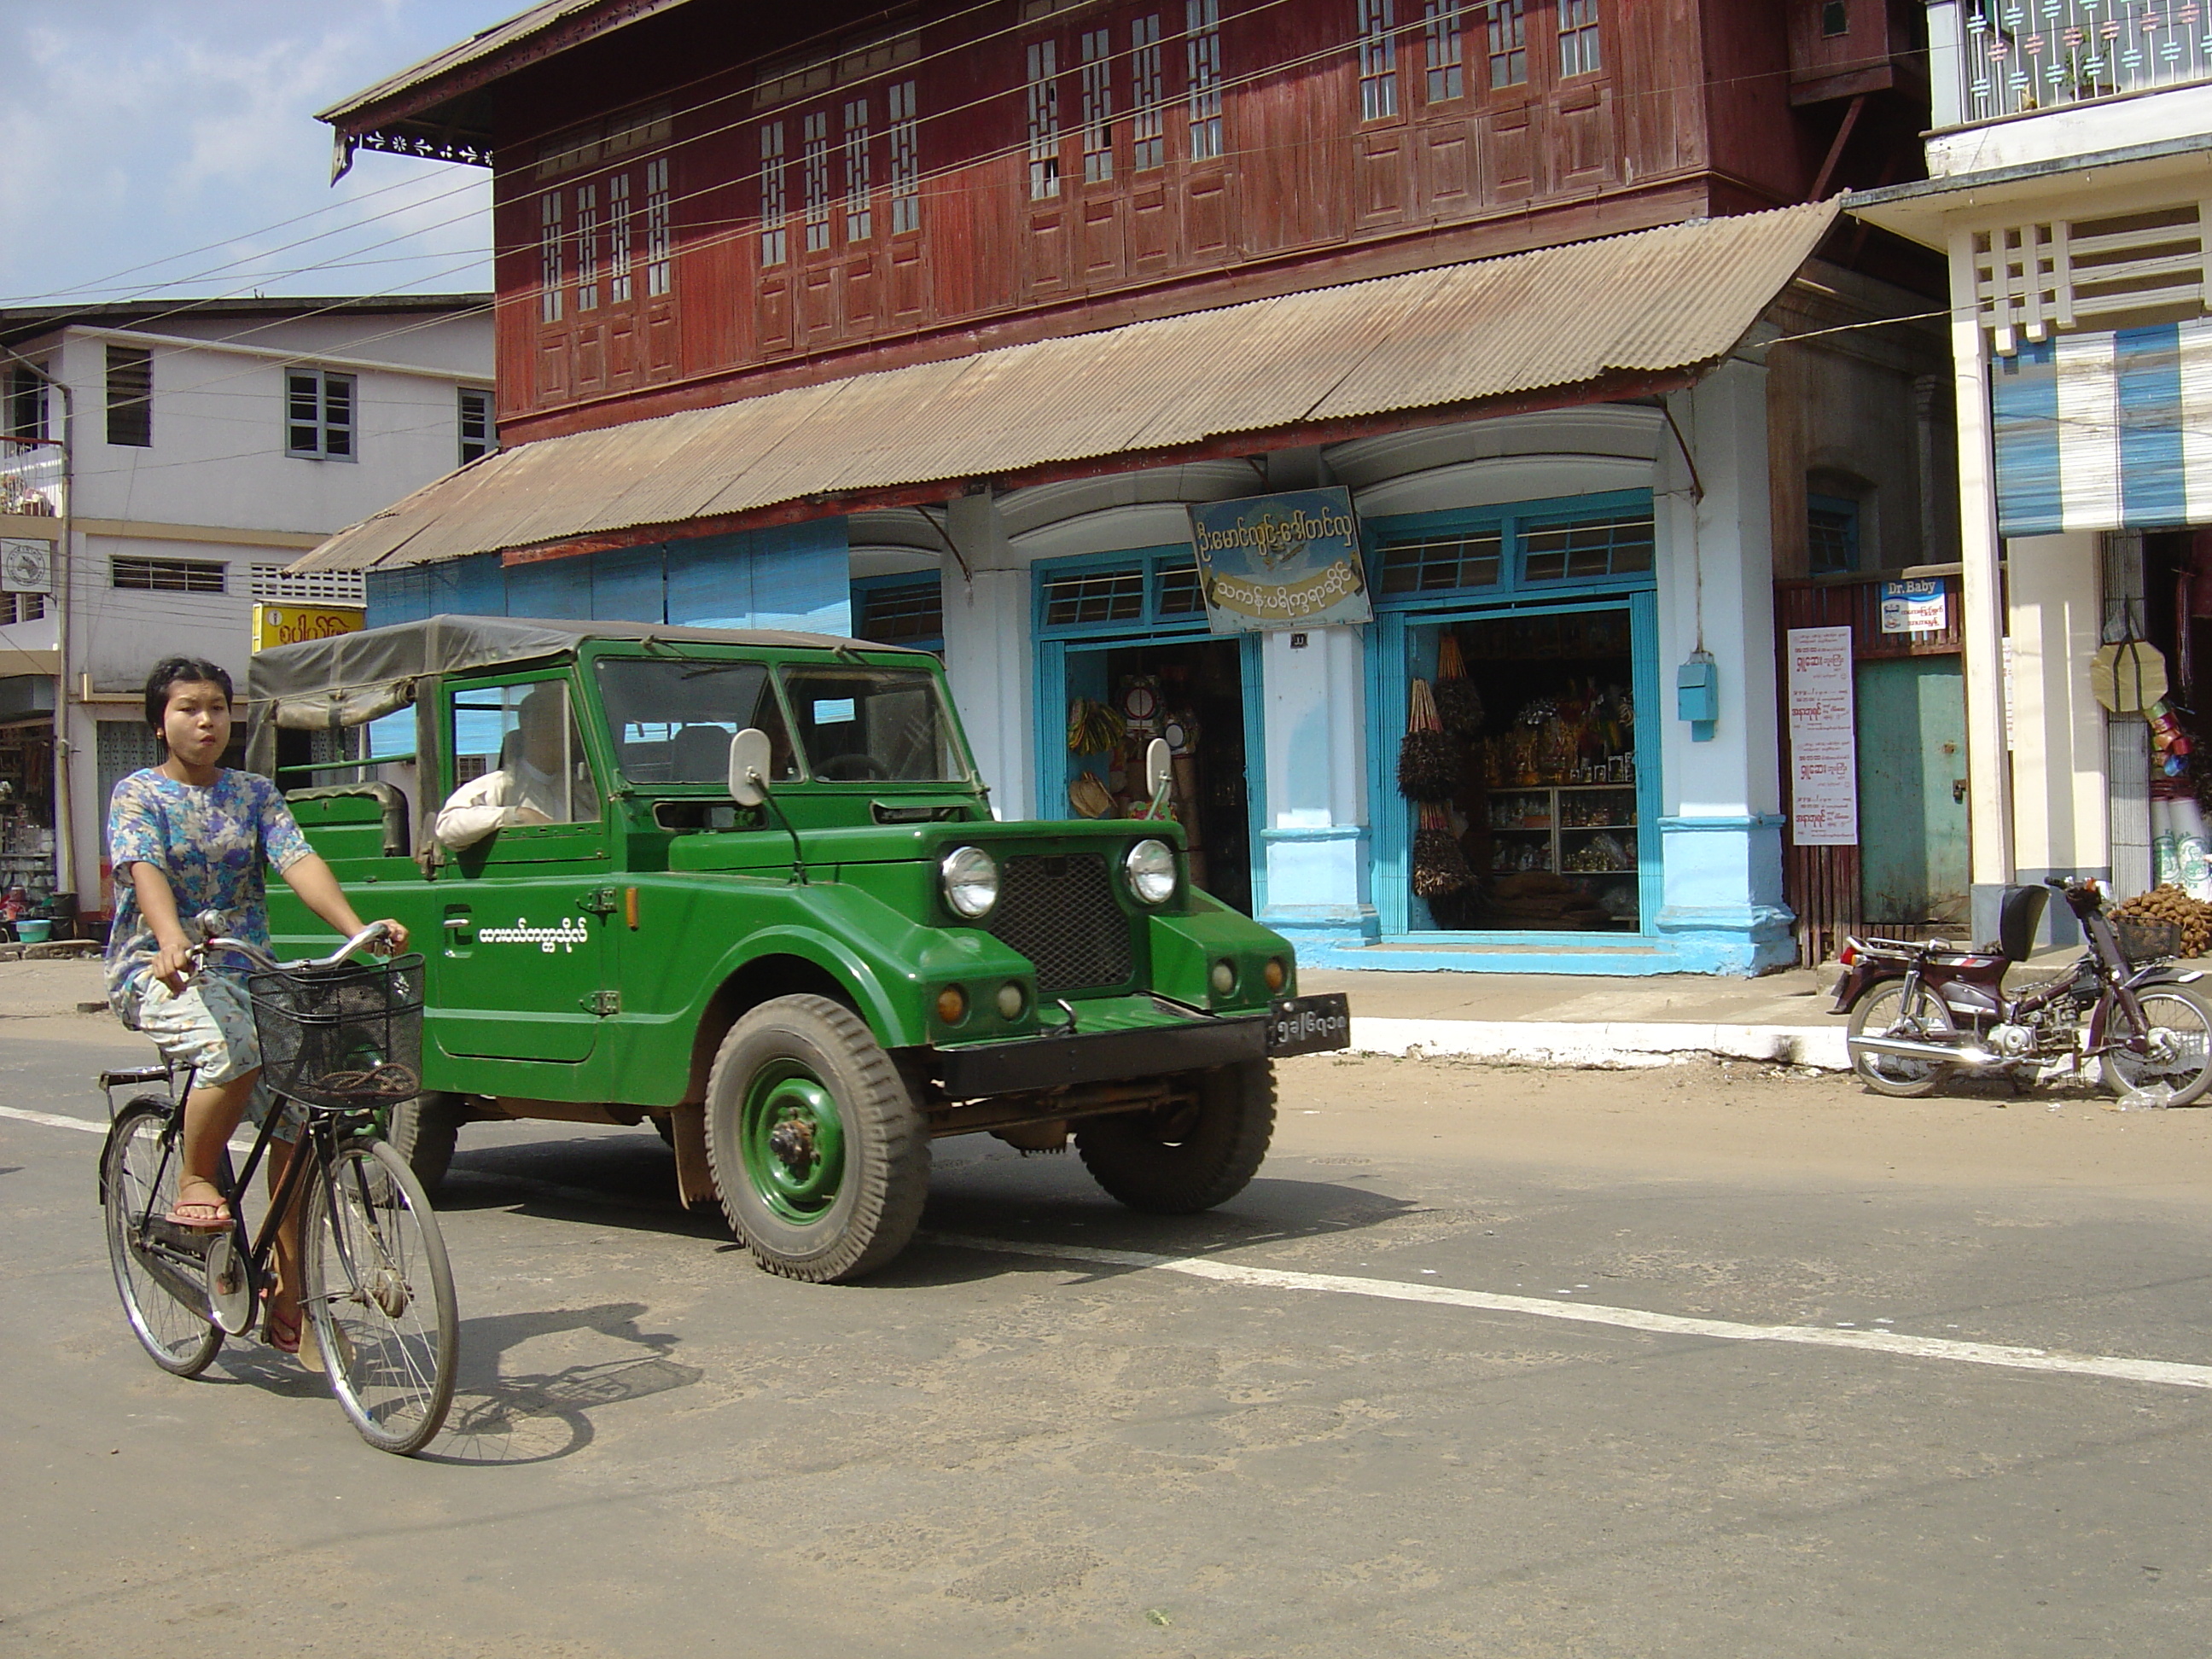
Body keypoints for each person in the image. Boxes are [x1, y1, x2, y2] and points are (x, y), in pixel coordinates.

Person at [105, 656, 409, 1359]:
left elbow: (297, 859)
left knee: (304, 1114)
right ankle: (194, 1176)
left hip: (242, 966)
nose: (206, 720)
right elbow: (143, 869)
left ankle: (293, 1297)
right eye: (188, 708)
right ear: (161, 722)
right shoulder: (137, 794)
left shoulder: (254, 793)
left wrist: (356, 928)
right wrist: (172, 937)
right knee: (232, 1051)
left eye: (217, 707)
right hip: (161, 970)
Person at [434, 683, 579, 849]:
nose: (570, 735)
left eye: (570, 725)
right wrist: (515, 815)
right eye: (558, 723)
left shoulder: (582, 791)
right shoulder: (502, 783)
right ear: (530, 730)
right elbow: (447, 826)